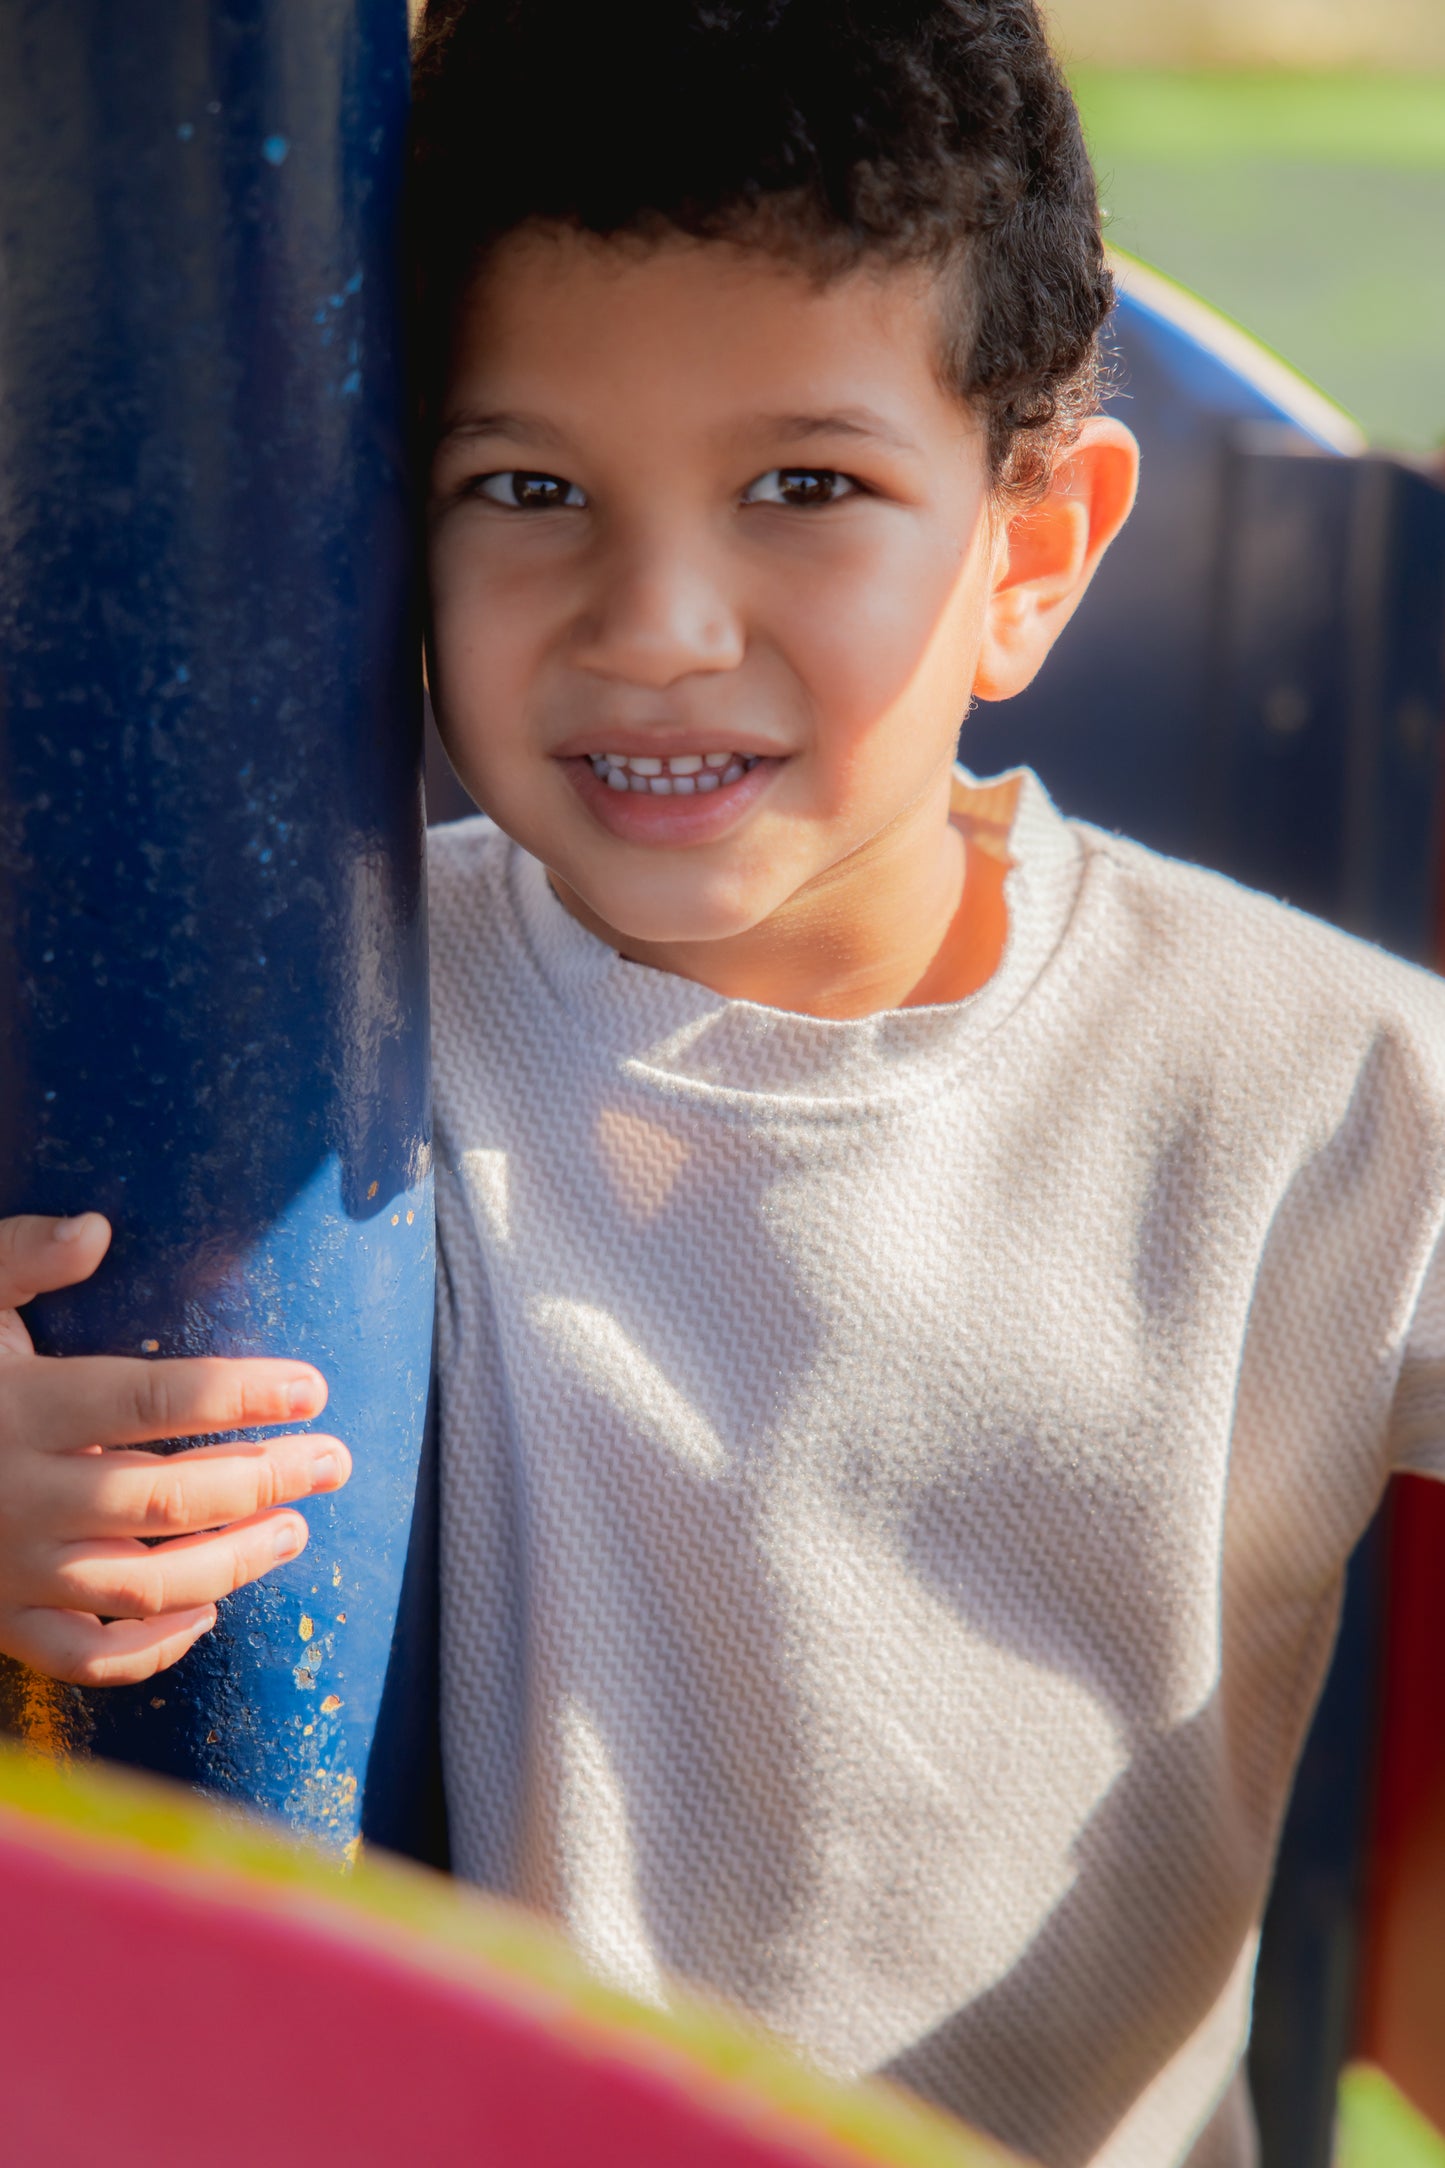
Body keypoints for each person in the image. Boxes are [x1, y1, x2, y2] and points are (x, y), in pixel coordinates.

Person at [1, 4, 1443, 2161]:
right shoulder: (280, 1047)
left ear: (1031, 551)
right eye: (528, 488)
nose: (657, 620)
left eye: (805, 487)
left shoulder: (1316, 1087)